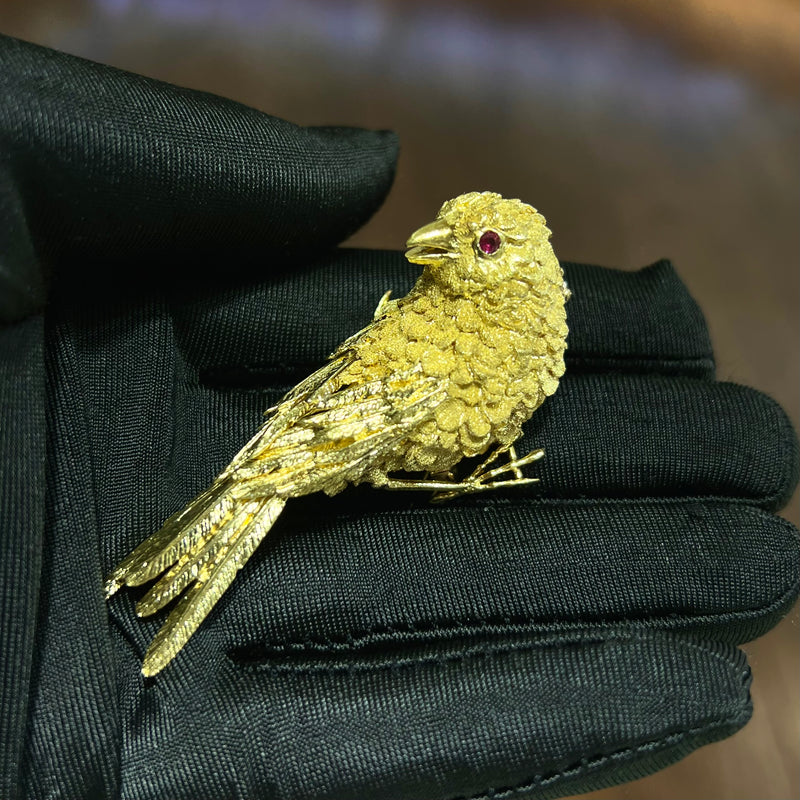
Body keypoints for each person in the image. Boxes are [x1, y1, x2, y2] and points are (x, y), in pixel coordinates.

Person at [2, 33, 798, 800]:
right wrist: (270, 474)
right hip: (332, 448)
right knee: (241, 512)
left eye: (479, 242)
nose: (444, 245)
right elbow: (357, 424)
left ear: (518, 259)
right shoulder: (435, 336)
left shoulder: (511, 338)